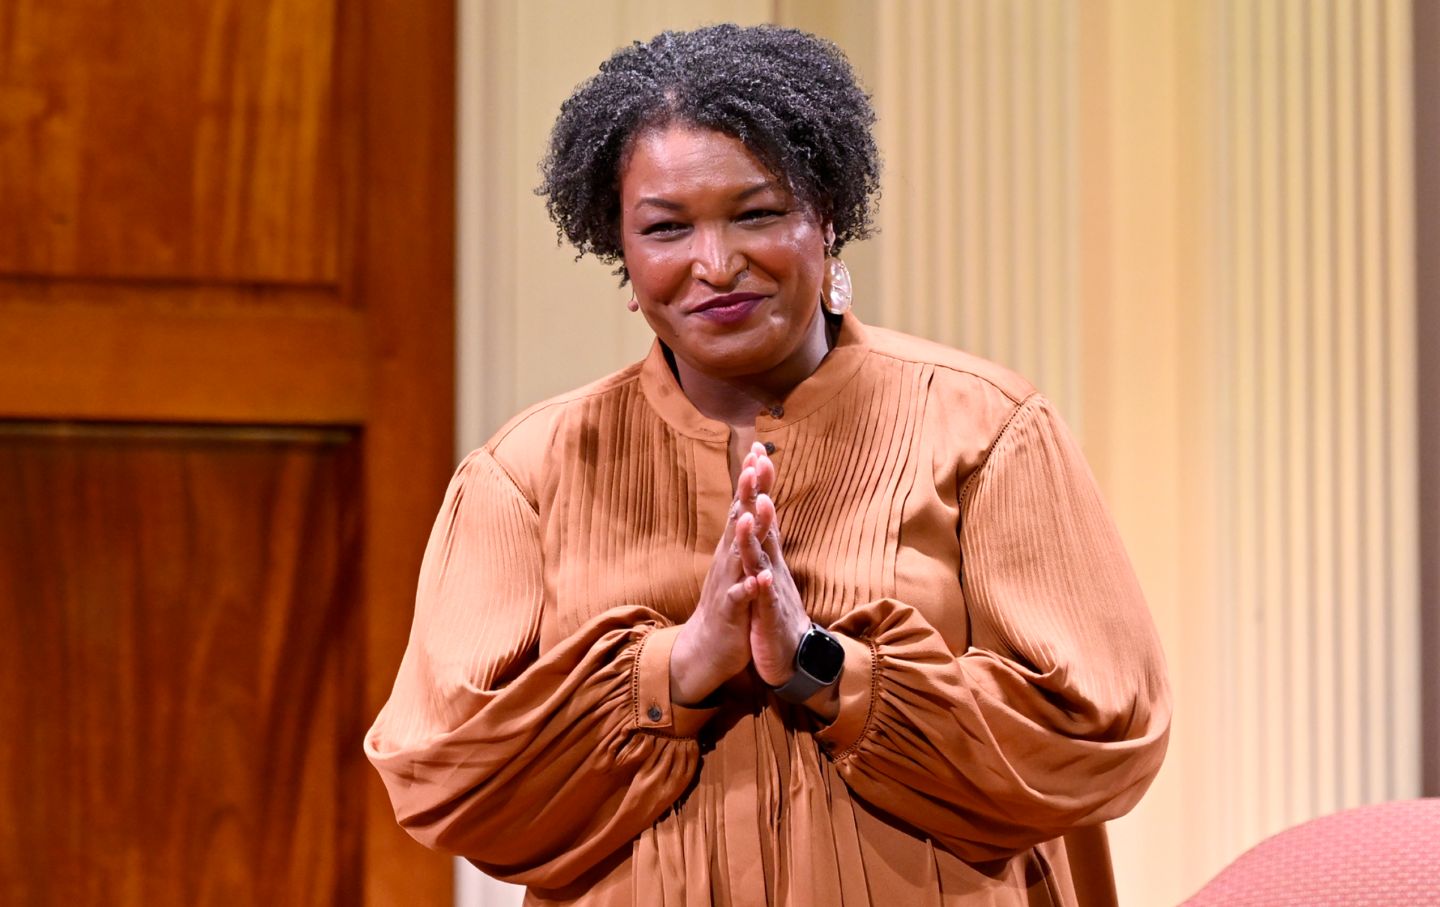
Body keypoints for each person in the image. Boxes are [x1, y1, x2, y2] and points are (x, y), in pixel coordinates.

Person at [366, 23, 1170, 907]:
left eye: (757, 214)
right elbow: (444, 771)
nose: (716, 265)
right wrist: (677, 666)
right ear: (622, 257)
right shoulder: (524, 476)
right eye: (667, 228)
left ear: (826, 218)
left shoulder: (987, 430)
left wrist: (823, 669)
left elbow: (1099, 734)